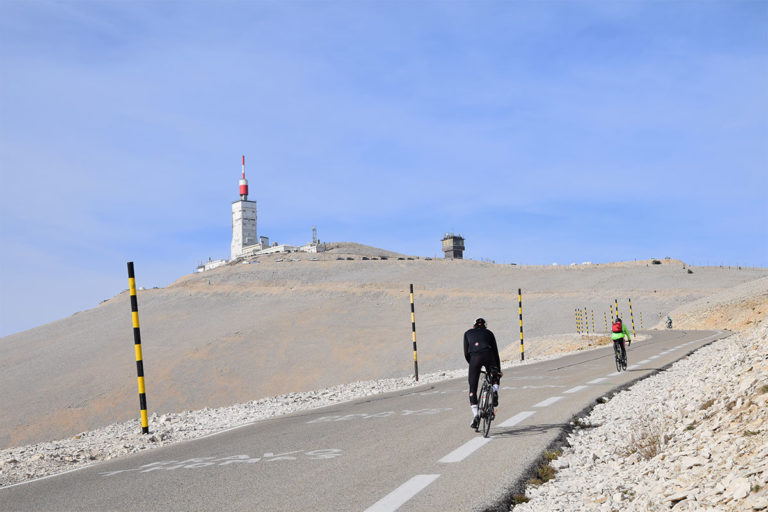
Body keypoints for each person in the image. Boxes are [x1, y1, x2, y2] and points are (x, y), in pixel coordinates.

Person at [464, 318, 502, 430]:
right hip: (488, 355)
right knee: (494, 376)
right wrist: (498, 370)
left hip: (475, 358)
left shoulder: (467, 333)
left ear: (473, 326)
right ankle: (494, 390)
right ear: (485, 326)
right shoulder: (489, 333)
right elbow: (495, 352)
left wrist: (473, 365)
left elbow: (466, 353)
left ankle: (476, 415)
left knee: (472, 387)